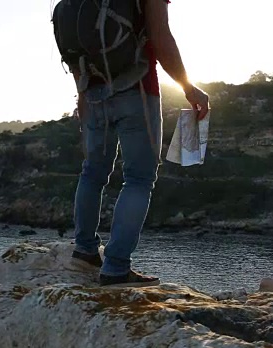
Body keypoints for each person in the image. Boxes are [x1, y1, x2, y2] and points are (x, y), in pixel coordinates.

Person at [62, 0, 210, 287]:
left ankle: (84, 250)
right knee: (139, 179)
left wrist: (83, 99)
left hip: (92, 94)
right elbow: (160, 36)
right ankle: (116, 268)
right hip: (137, 92)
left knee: (92, 172)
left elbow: (75, 46)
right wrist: (188, 88)